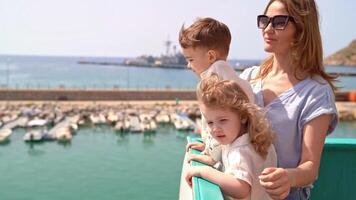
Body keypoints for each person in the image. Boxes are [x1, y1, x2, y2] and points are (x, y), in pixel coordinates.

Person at [240, 0, 338, 199]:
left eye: (279, 22)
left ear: (301, 30)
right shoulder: (249, 78)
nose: (267, 29)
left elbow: (310, 167)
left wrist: (288, 177)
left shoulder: (316, 92)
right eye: (265, 20)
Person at [178, 17, 256, 200]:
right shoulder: (227, 75)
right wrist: (208, 145)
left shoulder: (215, 79)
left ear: (211, 56)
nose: (189, 65)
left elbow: (218, 121)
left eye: (190, 59)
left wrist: (210, 157)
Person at [185, 74, 277, 199]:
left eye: (222, 120)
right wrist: (213, 161)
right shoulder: (253, 138)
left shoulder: (240, 151)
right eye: (210, 122)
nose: (215, 129)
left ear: (243, 116)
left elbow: (241, 188)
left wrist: (204, 172)